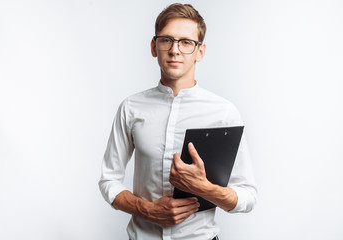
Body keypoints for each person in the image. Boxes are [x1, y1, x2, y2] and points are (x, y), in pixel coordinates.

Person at [99, 3, 257, 240]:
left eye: (186, 42)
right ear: (154, 47)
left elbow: (247, 196)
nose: (175, 50)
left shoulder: (223, 113)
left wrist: (205, 188)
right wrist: (148, 210)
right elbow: (109, 180)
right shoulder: (131, 108)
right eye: (167, 40)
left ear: (200, 51)